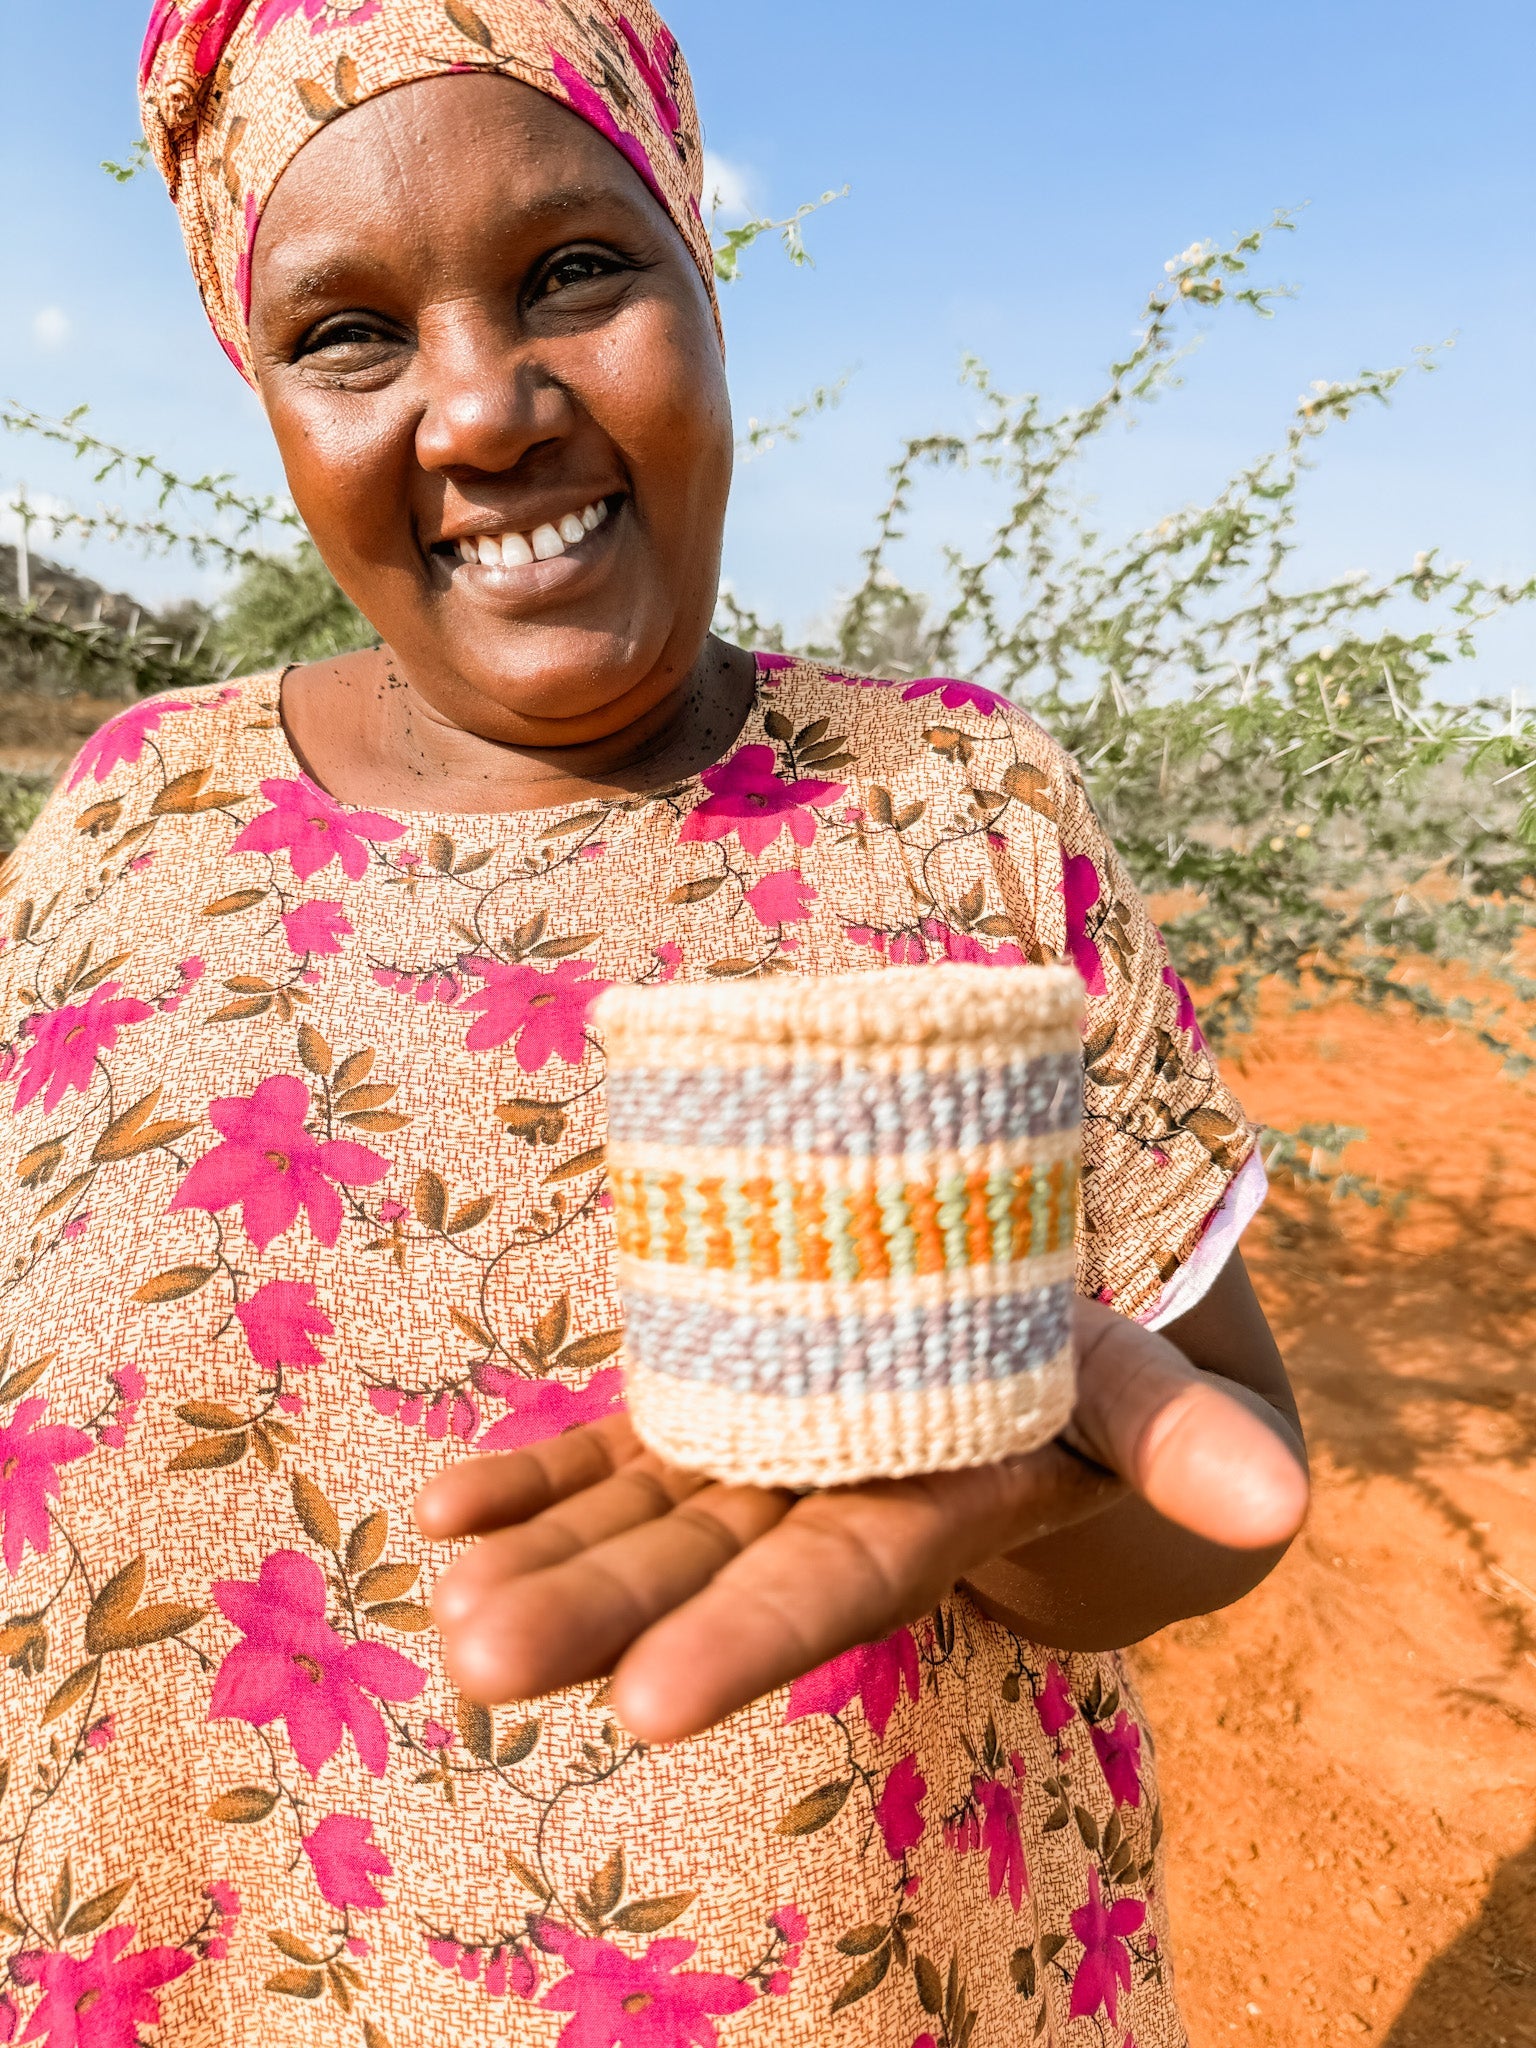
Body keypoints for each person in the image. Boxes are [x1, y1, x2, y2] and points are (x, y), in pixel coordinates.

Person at [0, 3, 1306, 2041]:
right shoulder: (124, 821)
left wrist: (1009, 1470)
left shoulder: (954, 804)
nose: (481, 408)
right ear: (266, 399)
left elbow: (1210, 1469)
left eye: (573, 273)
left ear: (705, 279)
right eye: (347, 332)